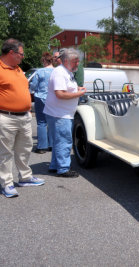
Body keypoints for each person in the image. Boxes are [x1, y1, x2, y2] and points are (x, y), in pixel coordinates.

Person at [0, 38, 45, 198]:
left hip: (24, 117)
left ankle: (25, 177)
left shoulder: (18, 69)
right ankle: (6, 184)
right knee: (5, 153)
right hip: (6, 117)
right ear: (11, 53)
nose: (23, 56)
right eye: (21, 53)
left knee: (24, 149)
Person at [44, 48, 86, 178]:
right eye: (75, 61)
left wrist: (76, 88)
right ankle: (63, 169)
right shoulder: (60, 72)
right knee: (64, 141)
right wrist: (78, 93)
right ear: (66, 61)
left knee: (59, 141)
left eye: (78, 61)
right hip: (60, 114)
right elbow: (60, 94)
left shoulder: (65, 71)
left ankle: (55, 165)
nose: (77, 64)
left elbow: (64, 89)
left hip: (59, 113)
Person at [29, 52, 54, 154]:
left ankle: (42, 146)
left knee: (41, 122)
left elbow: (33, 86)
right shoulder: (57, 72)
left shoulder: (40, 72)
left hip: (41, 97)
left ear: (44, 60)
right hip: (53, 98)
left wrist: (30, 90)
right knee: (52, 121)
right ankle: (52, 144)